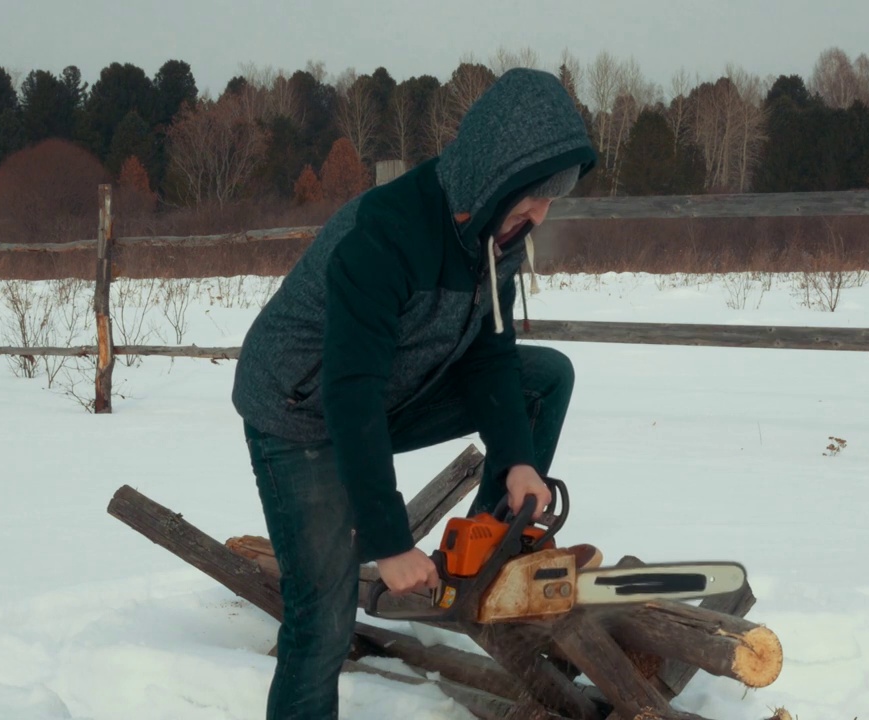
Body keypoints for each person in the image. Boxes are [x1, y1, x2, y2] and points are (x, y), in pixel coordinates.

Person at [231, 67, 598, 719]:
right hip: (301, 411)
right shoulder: (384, 236)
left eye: (552, 198)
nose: (542, 212)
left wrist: (517, 459)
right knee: (323, 619)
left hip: (395, 389)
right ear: (496, 173)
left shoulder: (499, 238)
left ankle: (487, 552)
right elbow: (350, 393)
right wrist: (389, 541)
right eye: (534, 195)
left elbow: (490, 354)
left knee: (546, 376)